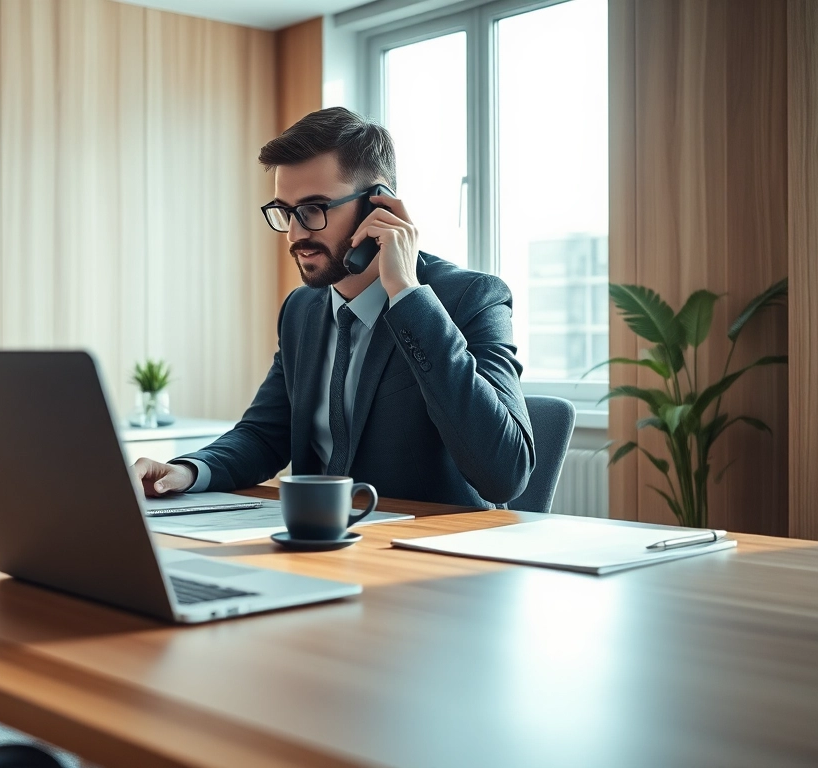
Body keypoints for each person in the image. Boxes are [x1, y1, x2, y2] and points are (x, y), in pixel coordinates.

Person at [131, 107, 534, 507]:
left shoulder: (472, 298)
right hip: (319, 544)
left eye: (312, 210)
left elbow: (505, 474)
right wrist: (187, 472)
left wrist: (407, 294)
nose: (294, 233)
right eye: (285, 213)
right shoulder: (302, 310)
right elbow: (264, 434)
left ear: (378, 205)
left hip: (428, 552)